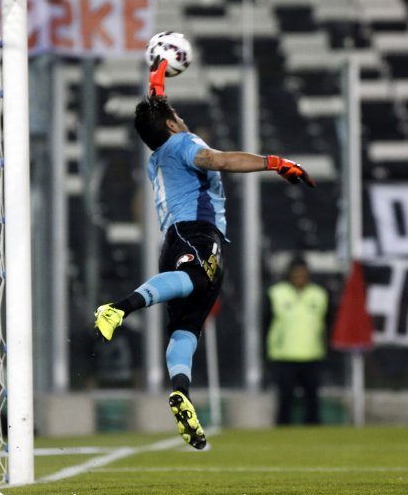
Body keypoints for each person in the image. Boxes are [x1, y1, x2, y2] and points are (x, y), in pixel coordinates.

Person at [93, 58, 315, 449]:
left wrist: (157, 78)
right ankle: (119, 308)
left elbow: (158, 115)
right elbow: (219, 160)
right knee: (197, 279)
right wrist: (276, 163)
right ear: (173, 125)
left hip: (177, 241)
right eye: (177, 116)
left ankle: (181, 392)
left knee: (187, 329)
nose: (182, 119)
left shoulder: (158, 151)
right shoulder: (184, 143)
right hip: (196, 232)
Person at [265, 256, 328, 426]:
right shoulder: (276, 293)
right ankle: (282, 428)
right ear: (289, 275)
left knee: (312, 398)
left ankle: (314, 429)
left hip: (312, 353)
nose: (300, 277)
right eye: (296, 274)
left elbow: (327, 322)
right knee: (285, 397)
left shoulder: (319, 294)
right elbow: (266, 323)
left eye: (303, 274)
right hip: (284, 355)